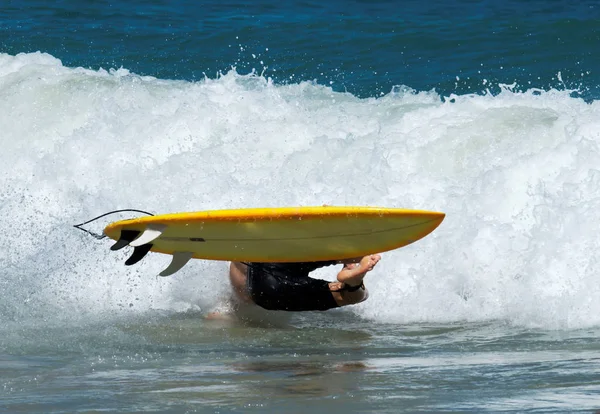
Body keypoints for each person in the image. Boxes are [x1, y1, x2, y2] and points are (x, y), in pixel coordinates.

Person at [228, 254, 381, 312]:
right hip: (275, 254)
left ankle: (353, 278)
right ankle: (351, 266)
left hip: (265, 285)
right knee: (338, 254)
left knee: (351, 296)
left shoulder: (231, 305)